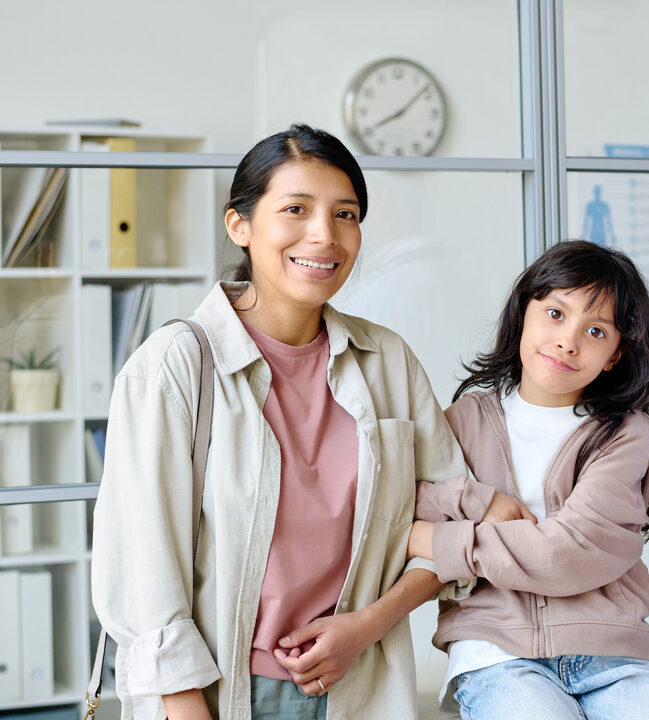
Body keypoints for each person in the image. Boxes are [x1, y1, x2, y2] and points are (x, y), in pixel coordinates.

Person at [92, 124, 468, 719]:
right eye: (296, 209)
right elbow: (141, 564)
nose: (324, 234)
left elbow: (451, 525)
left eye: (345, 214)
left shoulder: (387, 359)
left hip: (362, 686)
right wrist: (186, 705)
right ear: (239, 225)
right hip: (221, 692)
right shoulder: (175, 365)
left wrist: (364, 627)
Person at [406, 240, 649, 720]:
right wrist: (477, 499)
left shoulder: (624, 434)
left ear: (615, 354)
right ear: (523, 313)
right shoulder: (465, 420)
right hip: (495, 654)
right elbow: (404, 501)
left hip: (610, 653)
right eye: (555, 314)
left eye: (595, 331)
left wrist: (435, 539)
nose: (568, 341)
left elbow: (564, 554)